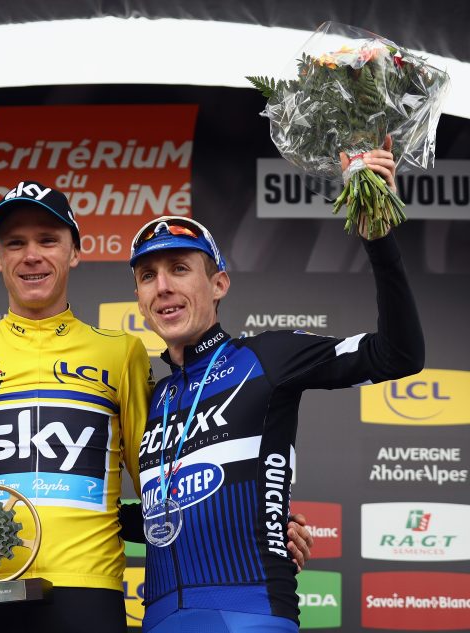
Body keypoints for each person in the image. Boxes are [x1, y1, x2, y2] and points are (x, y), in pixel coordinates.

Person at [0, 182, 314, 632]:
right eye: (15, 243)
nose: (31, 255)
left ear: (75, 252)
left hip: (91, 592)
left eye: (48, 240)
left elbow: (161, 485)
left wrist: (257, 523)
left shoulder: (121, 352)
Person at [122, 145, 424, 632]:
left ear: (219, 284)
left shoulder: (266, 358)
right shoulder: (153, 397)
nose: (162, 287)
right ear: (139, 298)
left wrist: (381, 243)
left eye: (180, 269)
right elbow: (167, 519)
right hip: (158, 618)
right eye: (148, 276)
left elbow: (399, 355)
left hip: (252, 614)